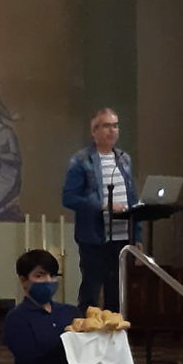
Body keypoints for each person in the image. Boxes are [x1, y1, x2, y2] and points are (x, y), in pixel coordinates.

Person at [62, 107, 138, 312]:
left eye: (115, 126)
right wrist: (103, 206)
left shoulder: (124, 159)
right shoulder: (81, 160)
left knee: (117, 293)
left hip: (122, 238)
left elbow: (131, 196)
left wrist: (137, 234)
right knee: (91, 292)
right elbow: (69, 198)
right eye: (106, 126)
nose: (112, 130)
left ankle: (114, 331)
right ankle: (87, 331)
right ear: (94, 131)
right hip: (95, 238)